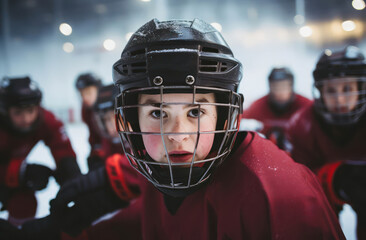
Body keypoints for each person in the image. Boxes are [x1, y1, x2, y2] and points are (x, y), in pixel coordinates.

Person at [0, 19, 345, 240]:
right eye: (157, 113)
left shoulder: (281, 197)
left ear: (226, 117)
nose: (178, 134)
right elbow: (158, 223)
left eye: (196, 111)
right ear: (130, 120)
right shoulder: (165, 173)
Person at [286, 46, 366, 239]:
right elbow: (295, 183)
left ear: (361, 88)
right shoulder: (302, 124)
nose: (339, 99)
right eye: (331, 90)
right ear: (320, 92)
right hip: (322, 196)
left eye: (347, 89)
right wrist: (334, 179)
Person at [0, 76, 81, 226]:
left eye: (30, 111)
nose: (26, 118)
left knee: (23, 201)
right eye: (18, 113)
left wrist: (70, 172)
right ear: (5, 111)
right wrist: (20, 172)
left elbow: (61, 145)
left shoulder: (45, 119)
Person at [243, 67, 312, 149]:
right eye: (275, 87)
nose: (280, 92)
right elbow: (240, 121)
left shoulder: (305, 106)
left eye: (284, 86)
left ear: (291, 86)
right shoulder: (258, 106)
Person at [75, 73, 104, 169]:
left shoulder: (109, 105)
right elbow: (93, 134)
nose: (84, 98)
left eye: (88, 92)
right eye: (81, 94)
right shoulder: (86, 109)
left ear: (98, 89)